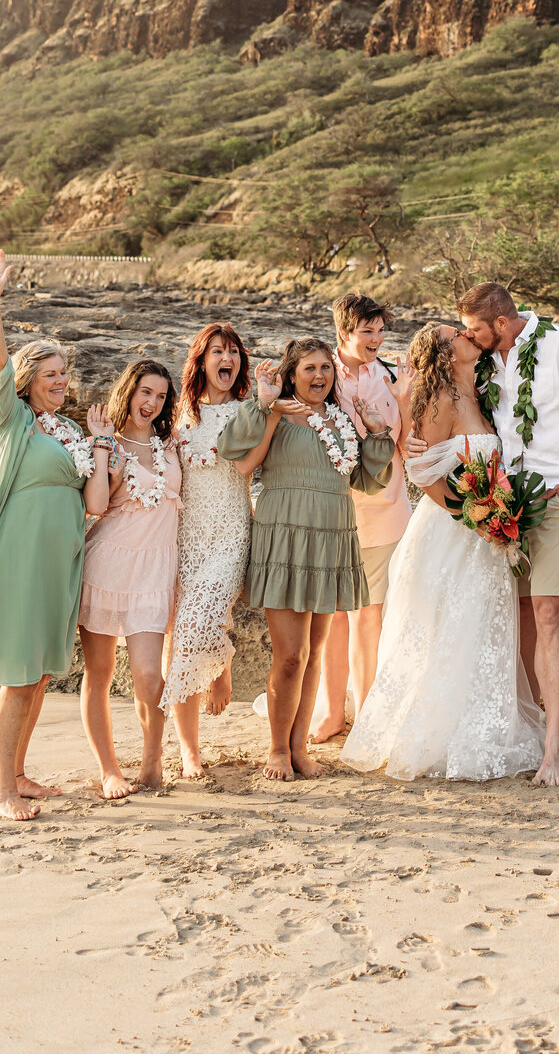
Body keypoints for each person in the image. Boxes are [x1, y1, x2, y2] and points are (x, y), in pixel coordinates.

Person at [0, 246, 114, 822]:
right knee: (18, 678)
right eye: (50, 374)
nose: (62, 382)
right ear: (27, 381)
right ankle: (1, 792)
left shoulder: (66, 430)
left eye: (65, 374)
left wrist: (102, 446)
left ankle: (19, 773)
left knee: (38, 674)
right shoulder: (11, 423)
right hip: (18, 561)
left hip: (58, 562)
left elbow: (94, 505)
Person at [343, 324, 546, 781]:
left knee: (483, 628)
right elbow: (420, 470)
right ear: (443, 351)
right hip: (454, 532)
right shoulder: (440, 399)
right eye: (454, 332)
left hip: (488, 534)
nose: (465, 333)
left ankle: (488, 725)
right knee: (451, 628)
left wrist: (497, 519)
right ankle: (438, 734)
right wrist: (474, 516)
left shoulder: (482, 390)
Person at [217, 339, 393, 781]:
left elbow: (368, 481)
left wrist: (376, 432)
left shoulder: (340, 422)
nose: (319, 376)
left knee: (314, 654)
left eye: (326, 368)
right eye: (310, 368)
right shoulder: (280, 413)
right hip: (287, 536)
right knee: (290, 655)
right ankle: (276, 749)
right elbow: (233, 447)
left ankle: (298, 748)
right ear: (292, 374)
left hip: (331, 538)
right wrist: (265, 405)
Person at [458, 284, 559, 788]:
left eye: (476, 329)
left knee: (549, 614)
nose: (470, 337)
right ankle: (525, 728)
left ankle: (553, 748)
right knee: (518, 613)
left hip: (556, 496)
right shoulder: (485, 361)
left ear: (501, 323)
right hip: (505, 500)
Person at [78, 359, 181, 798]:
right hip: (108, 566)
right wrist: (101, 449)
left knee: (148, 676)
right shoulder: (108, 444)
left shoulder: (171, 446)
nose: (152, 403)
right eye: (145, 393)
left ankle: (152, 759)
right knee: (98, 673)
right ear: (129, 392)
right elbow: (96, 506)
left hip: (155, 570)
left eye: (160, 396)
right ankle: (108, 770)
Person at [311, 293, 410, 743]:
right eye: (366, 331)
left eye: (380, 330)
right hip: (333, 511)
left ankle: (367, 713)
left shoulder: (392, 377)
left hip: (387, 510)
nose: (376, 338)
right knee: (332, 617)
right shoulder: (319, 375)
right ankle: (333, 712)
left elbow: (407, 440)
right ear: (343, 333)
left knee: (370, 616)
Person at [160, 322, 253, 778]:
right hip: (187, 536)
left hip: (232, 531)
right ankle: (189, 752)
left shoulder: (250, 410)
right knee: (180, 640)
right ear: (202, 360)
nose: (227, 358)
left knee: (199, 621)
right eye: (218, 350)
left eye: (233, 351)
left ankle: (222, 657)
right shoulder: (180, 414)